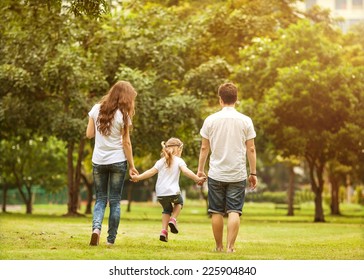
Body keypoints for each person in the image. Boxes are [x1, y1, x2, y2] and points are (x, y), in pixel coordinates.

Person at [197, 82, 258, 253]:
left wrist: (200, 170)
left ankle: (218, 247)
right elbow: (251, 149)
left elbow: (204, 148)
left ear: (220, 99)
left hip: (216, 173)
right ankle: (230, 248)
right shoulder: (246, 121)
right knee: (234, 211)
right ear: (236, 99)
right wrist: (253, 173)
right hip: (237, 174)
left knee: (216, 211)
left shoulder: (210, 120)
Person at [86, 80, 139, 246]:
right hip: (118, 161)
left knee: (100, 199)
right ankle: (110, 240)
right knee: (115, 201)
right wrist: (132, 166)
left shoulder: (96, 109)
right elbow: (126, 143)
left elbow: (89, 134)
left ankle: (96, 229)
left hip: (99, 161)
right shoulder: (123, 115)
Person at [131, 137, 205, 242]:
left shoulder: (161, 161)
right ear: (179, 149)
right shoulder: (179, 160)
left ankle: (164, 231)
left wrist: (138, 177)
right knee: (179, 203)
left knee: (166, 210)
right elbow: (186, 171)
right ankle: (173, 219)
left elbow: (151, 172)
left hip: (160, 194)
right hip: (173, 192)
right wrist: (197, 179)